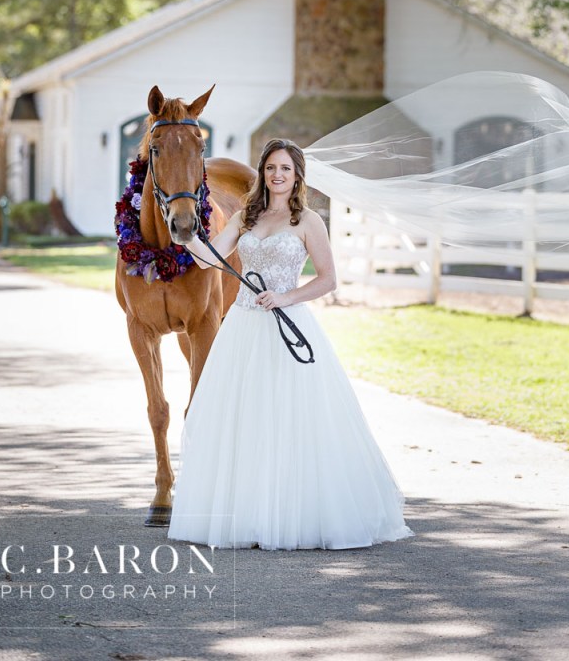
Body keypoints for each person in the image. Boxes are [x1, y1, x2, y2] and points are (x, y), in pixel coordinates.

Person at [167, 137, 414, 551]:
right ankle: (246, 514)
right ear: (262, 173)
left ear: (297, 175)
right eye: (270, 168)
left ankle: (288, 515)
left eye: (285, 168)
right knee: (244, 419)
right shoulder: (246, 217)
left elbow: (328, 280)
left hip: (286, 324)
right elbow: (210, 259)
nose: (277, 175)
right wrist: (185, 236)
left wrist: (285, 297)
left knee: (287, 418)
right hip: (243, 328)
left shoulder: (308, 222)